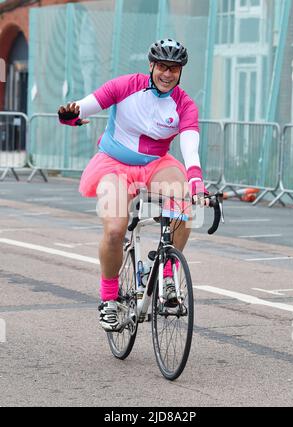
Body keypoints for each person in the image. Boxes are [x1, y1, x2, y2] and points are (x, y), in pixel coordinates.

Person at [58, 38, 208, 332]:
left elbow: (190, 143)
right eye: (163, 67)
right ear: (151, 65)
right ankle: (109, 300)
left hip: (155, 163)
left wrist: (196, 179)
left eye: (174, 69)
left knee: (185, 204)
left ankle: (167, 275)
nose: (168, 74)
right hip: (114, 163)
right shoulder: (125, 86)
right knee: (115, 230)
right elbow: (85, 106)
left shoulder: (184, 104)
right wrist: (71, 114)